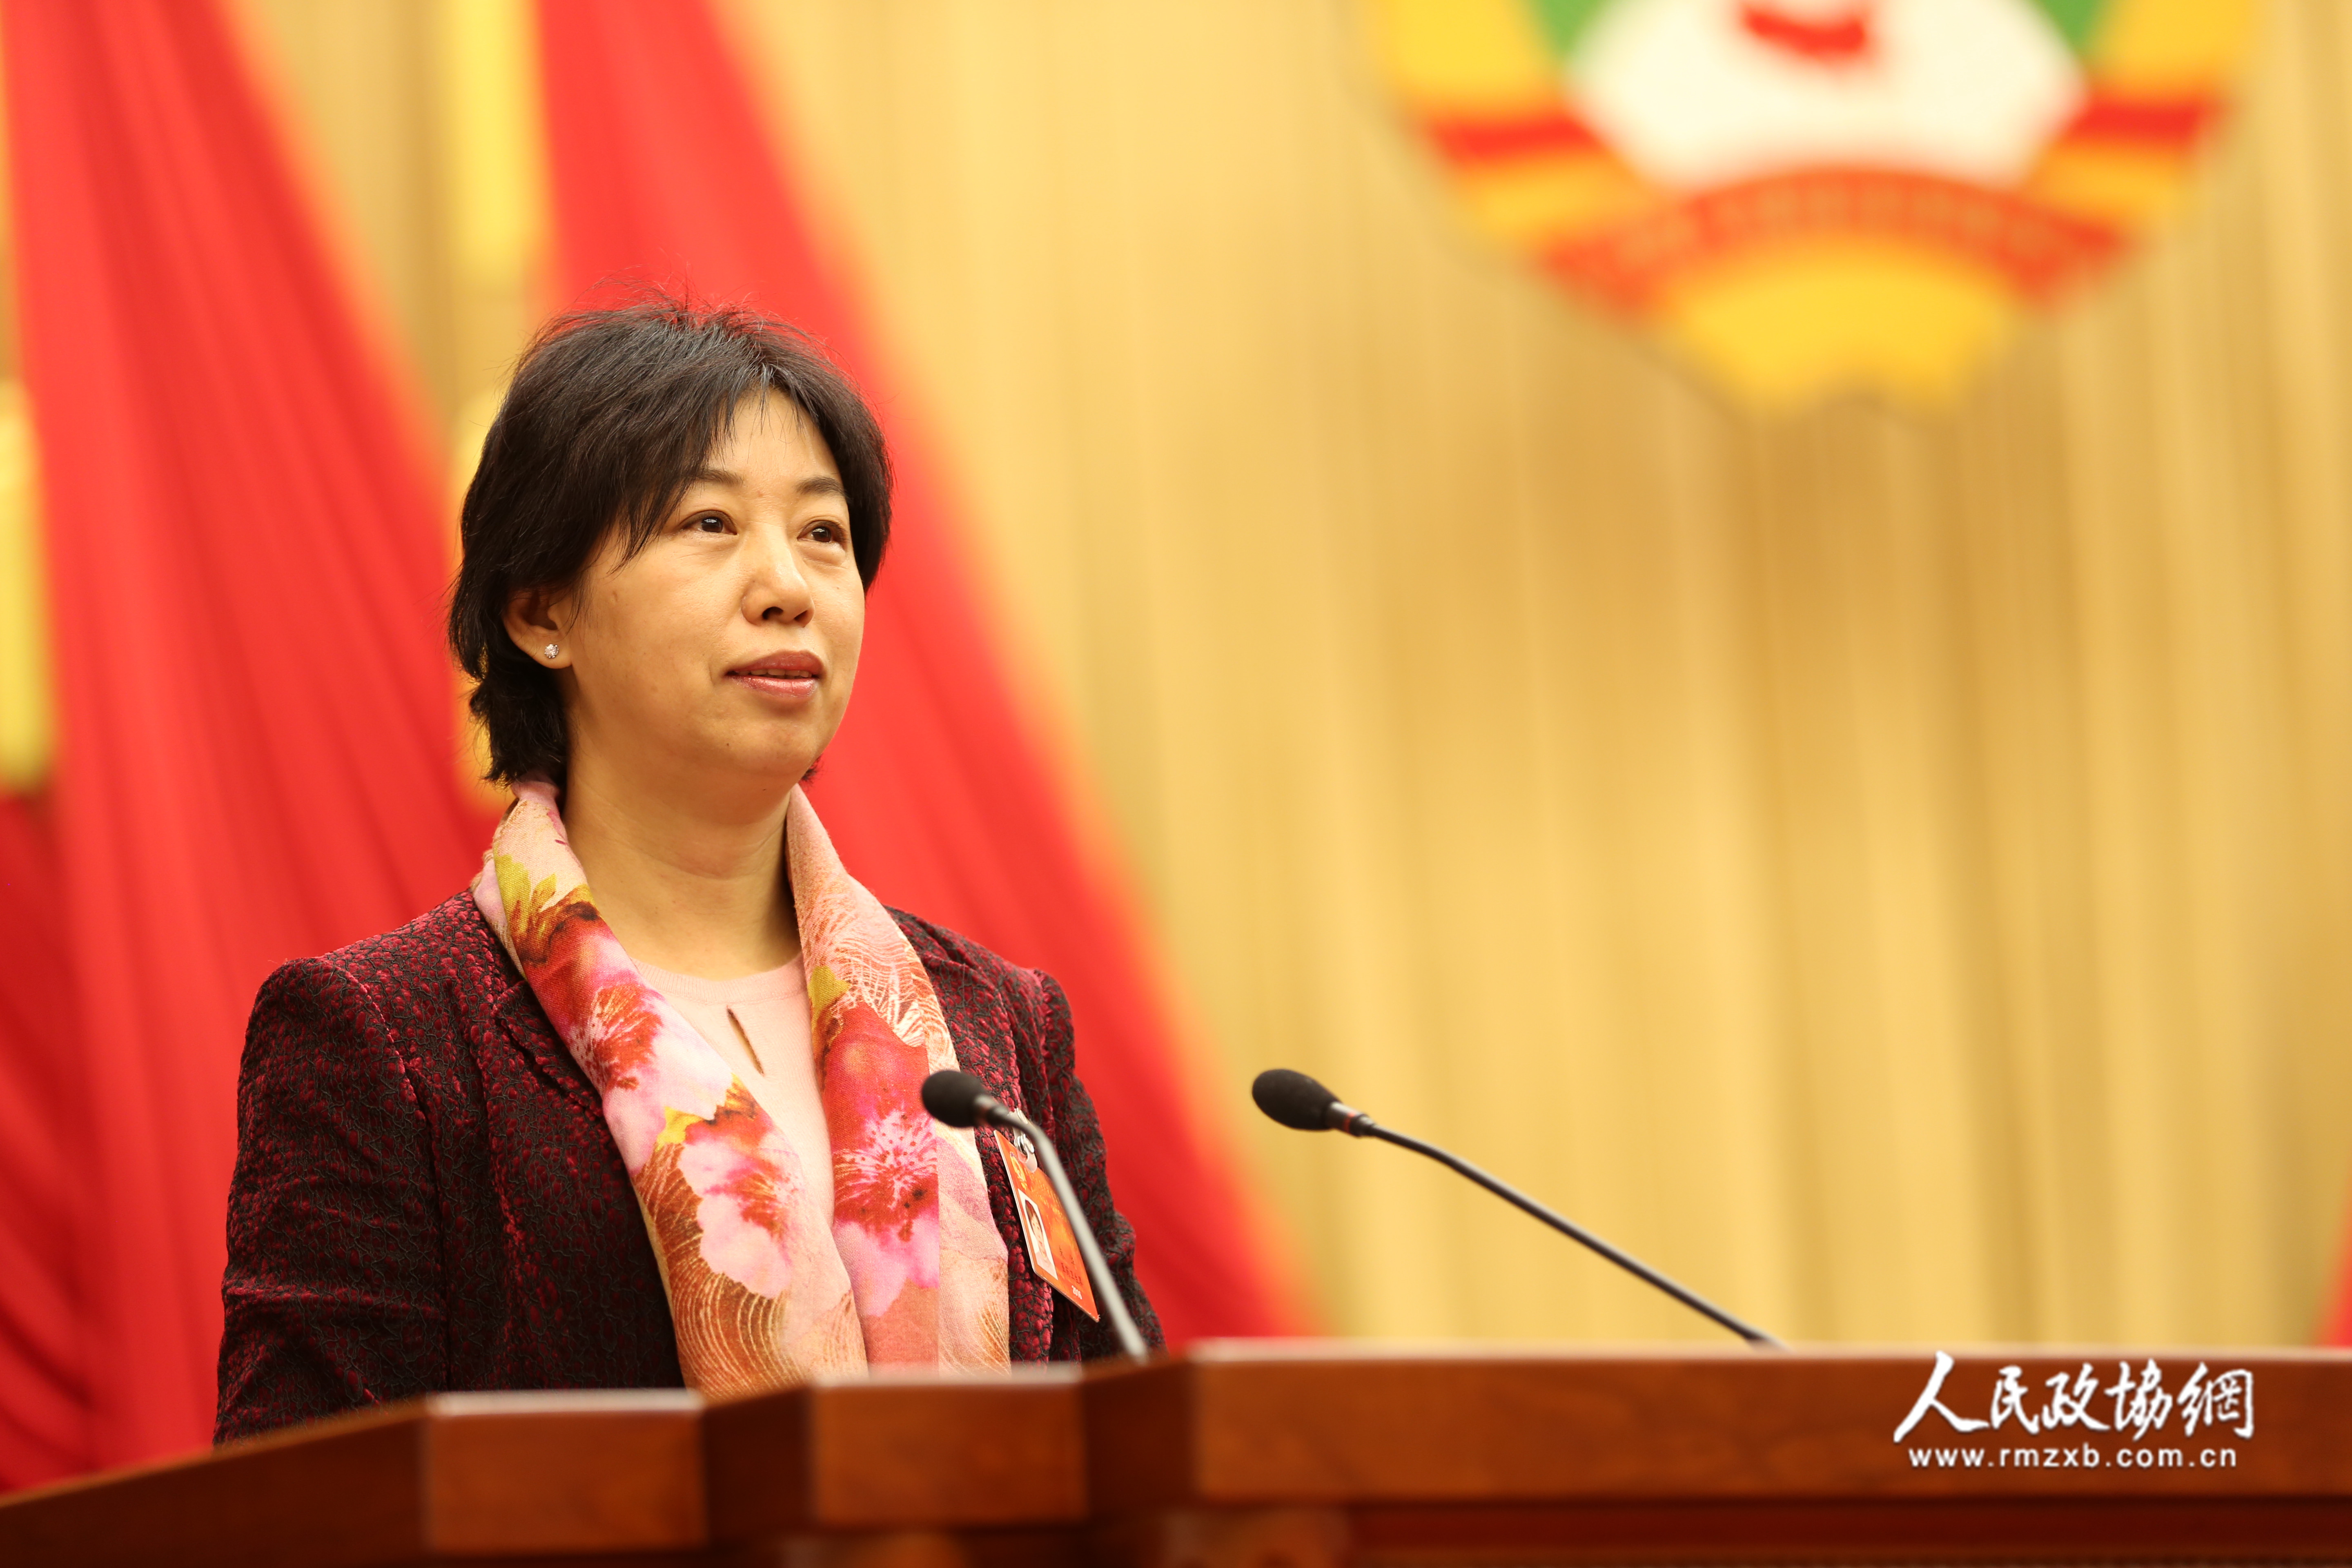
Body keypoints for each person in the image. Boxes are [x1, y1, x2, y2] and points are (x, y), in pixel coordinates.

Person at [214, 298, 1159, 1442]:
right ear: (542, 611)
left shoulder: (997, 1028)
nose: (788, 586)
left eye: (824, 534)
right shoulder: (390, 1038)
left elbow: (1137, 1441)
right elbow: (306, 1500)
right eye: (710, 523)